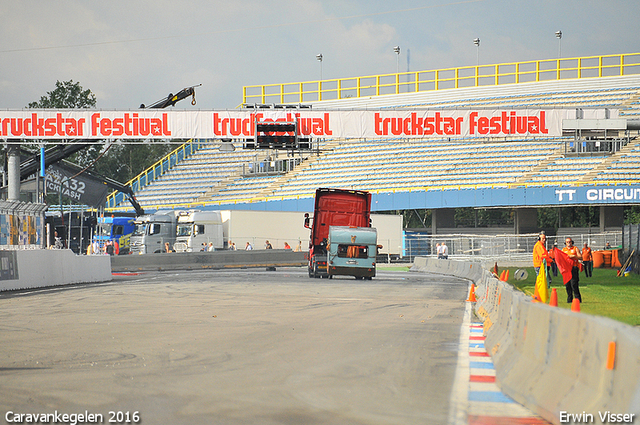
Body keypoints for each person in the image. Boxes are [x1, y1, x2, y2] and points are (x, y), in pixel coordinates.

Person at [562, 238, 582, 303]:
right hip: (567, 269)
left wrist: (574, 256)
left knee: (574, 284)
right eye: (567, 242)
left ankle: (578, 299)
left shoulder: (575, 248)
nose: (568, 243)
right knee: (567, 284)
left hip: (574, 268)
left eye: (570, 242)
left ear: (572, 242)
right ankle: (569, 299)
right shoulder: (563, 250)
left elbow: (581, 257)